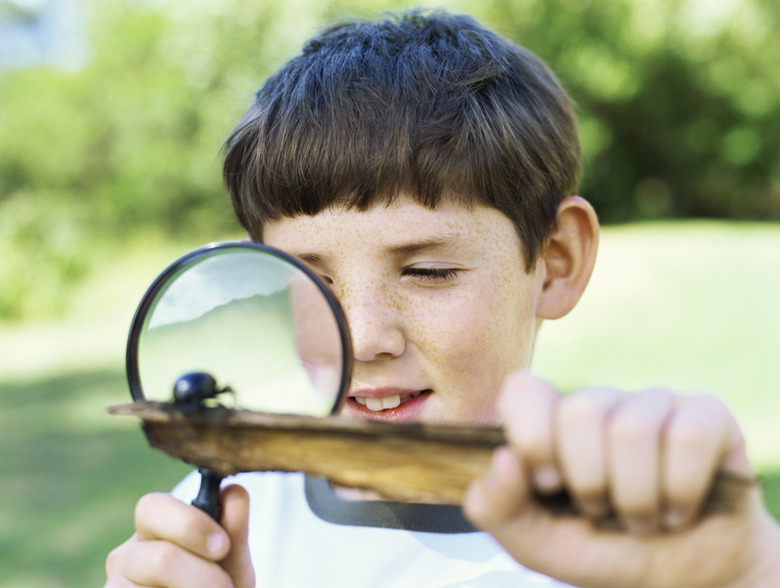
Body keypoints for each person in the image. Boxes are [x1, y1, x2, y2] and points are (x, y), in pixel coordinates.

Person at [105, 10, 780, 587]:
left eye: (427, 271)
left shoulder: (639, 538)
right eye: (314, 282)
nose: (365, 337)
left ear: (555, 263)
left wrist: (749, 571)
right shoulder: (219, 526)